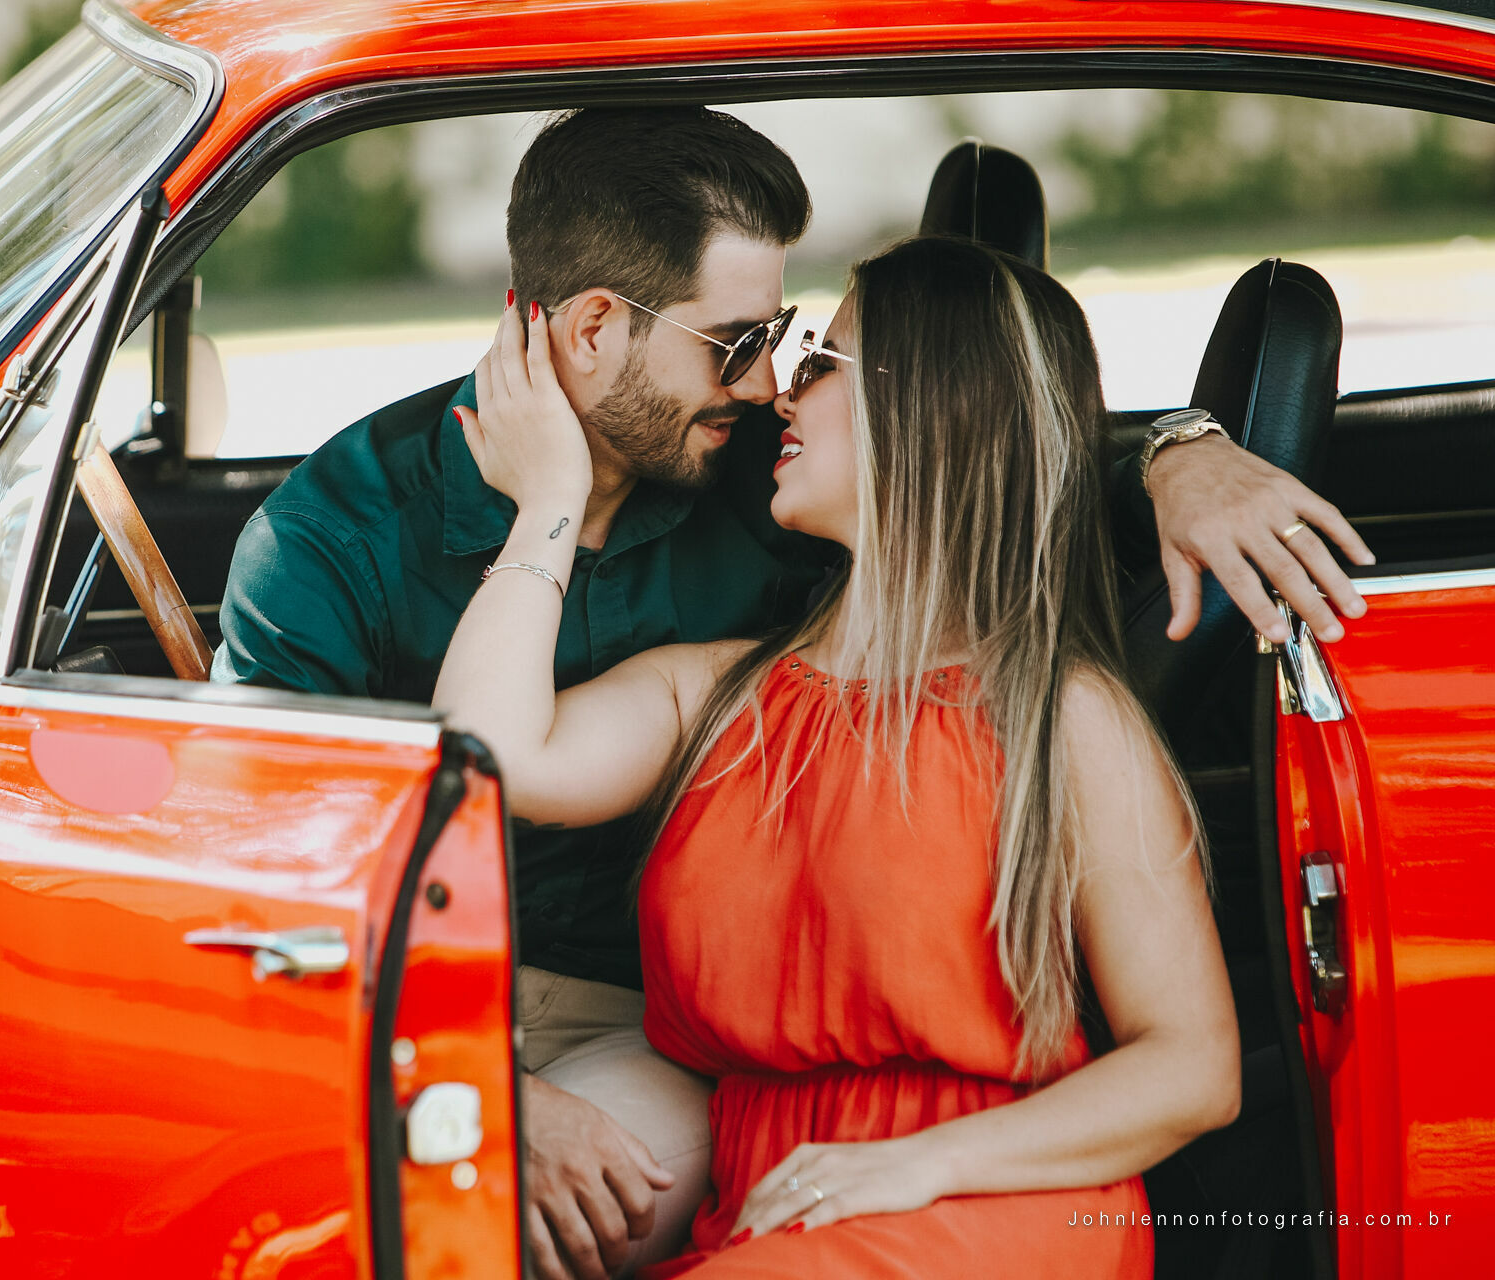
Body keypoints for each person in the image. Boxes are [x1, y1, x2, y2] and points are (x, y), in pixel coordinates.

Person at [213, 108, 1370, 1280]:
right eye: (744, 341)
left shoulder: (1008, 678)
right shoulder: (358, 552)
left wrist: (1181, 448)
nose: (772, 384)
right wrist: (548, 500)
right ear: (597, 329)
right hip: (482, 1027)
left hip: (888, 1166)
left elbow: (1011, 438)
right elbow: (381, 818)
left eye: (803, 349)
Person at [433, 235, 1243, 1277]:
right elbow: (486, 759)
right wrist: (552, 501)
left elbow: (1194, 1065)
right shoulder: (717, 692)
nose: (780, 390)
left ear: (933, 412)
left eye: (821, 362)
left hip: (982, 1199)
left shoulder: (1062, 713)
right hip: (771, 1209)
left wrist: (918, 1163)